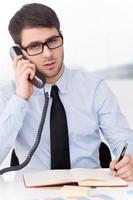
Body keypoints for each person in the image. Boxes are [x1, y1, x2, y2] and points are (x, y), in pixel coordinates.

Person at [0, 3, 133, 180]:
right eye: (34, 46)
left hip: (89, 190)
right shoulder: (9, 96)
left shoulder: (94, 87)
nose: (47, 54)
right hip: (30, 194)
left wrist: (129, 159)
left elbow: (122, 138)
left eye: (53, 41)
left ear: (61, 38)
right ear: (19, 54)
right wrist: (21, 98)